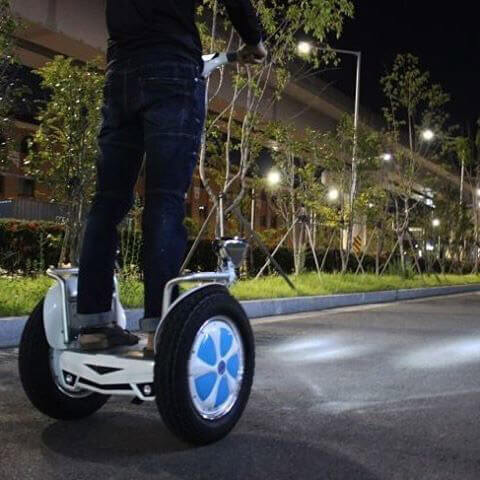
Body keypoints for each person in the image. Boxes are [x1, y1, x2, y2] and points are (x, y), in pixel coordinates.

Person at [75, 0, 267, 351]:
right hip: (172, 67)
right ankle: (160, 329)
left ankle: (92, 324)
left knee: (107, 201)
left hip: (121, 72)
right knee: (164, 199)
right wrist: (254, 39)